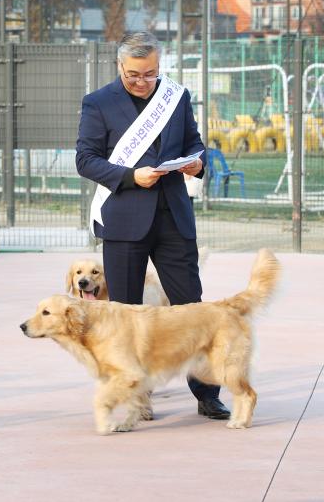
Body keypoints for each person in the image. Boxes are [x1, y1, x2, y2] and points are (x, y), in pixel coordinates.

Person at [75, 31, 230, 420]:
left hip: (174, 218)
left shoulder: (175, 97)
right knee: (124, 317)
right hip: (125, 219)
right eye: (134, 75)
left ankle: (207, 392)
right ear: (119, 67)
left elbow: (195, 143)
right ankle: (134, 395)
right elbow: (86, 159)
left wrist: (198, 161)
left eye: (151, 74)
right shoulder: (98, 103)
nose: (143, 82)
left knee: (193, 311)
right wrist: (130, 177)